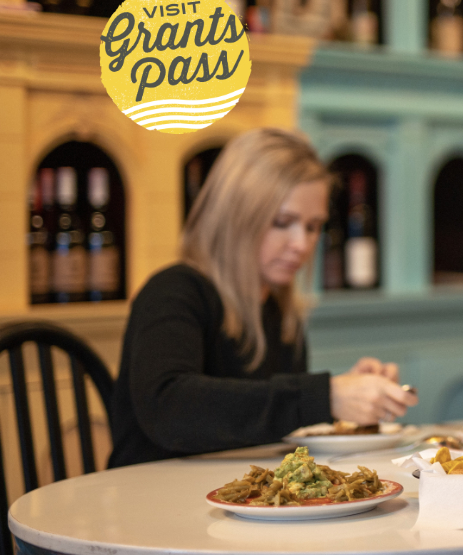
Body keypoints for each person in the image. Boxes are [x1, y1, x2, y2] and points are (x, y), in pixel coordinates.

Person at [109, 128, 418, 468]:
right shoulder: (173, 291)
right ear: (235, 218)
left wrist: (350, 398)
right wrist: (324, 396)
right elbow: (169, 409)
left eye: (313, 226)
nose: (301, 244)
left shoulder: (280, 312)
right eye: (283, 222)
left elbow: (265, 423)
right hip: (146, 500)